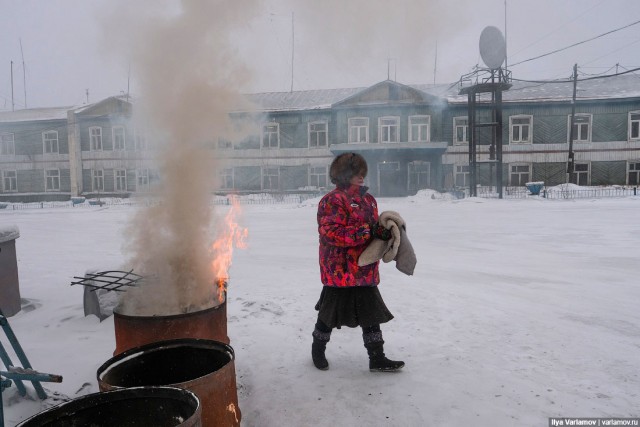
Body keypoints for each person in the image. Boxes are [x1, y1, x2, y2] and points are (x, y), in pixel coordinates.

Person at [311, 152, 404, 372]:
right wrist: (368, 231)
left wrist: (381, 233)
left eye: (362, 172)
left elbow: (371, 233)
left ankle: (377, 358)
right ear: (343, 175)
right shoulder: (332, 201)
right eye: (355, 172)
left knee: (371, 314)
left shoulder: (368, 200)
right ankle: (318, 349)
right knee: (328, 314)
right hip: (339, 270)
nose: (361, 176)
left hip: (364, 268)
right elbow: (331, 233)